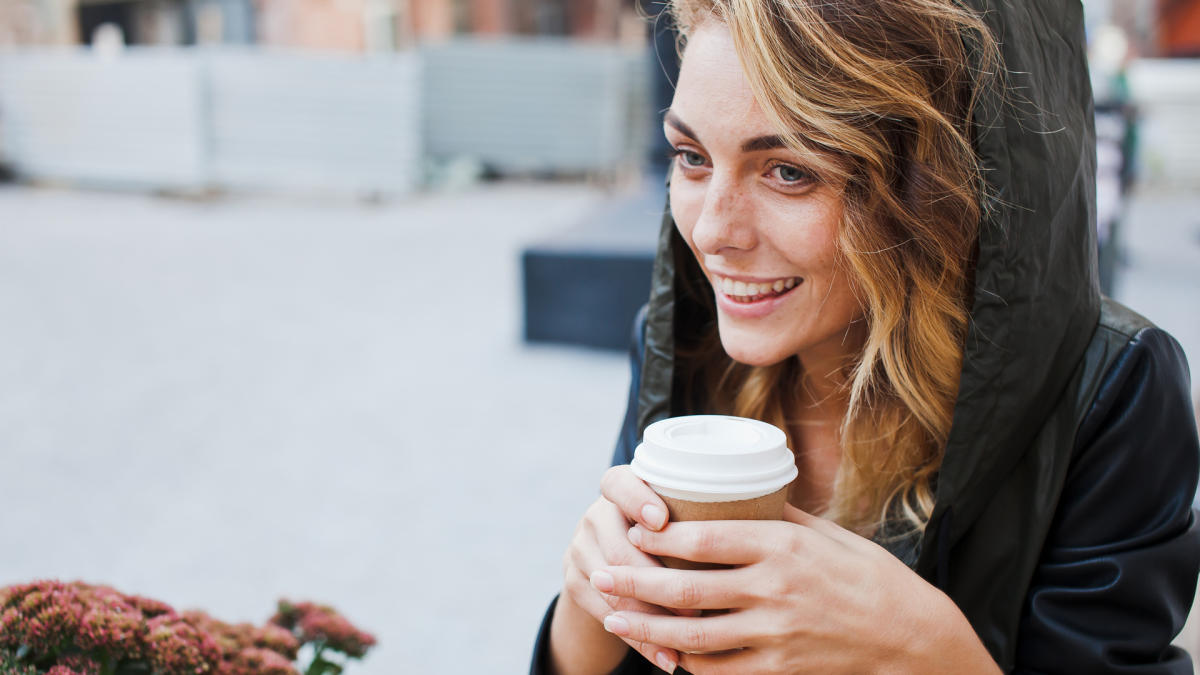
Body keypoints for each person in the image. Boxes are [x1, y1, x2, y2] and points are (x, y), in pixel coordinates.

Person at [531, 0, 1200, 672]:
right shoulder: (682, 347)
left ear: (925, 191)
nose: (711, 232)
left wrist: (920, 644)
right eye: (692, 156)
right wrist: (588, 602)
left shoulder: (1108, 392)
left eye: (788, 170)